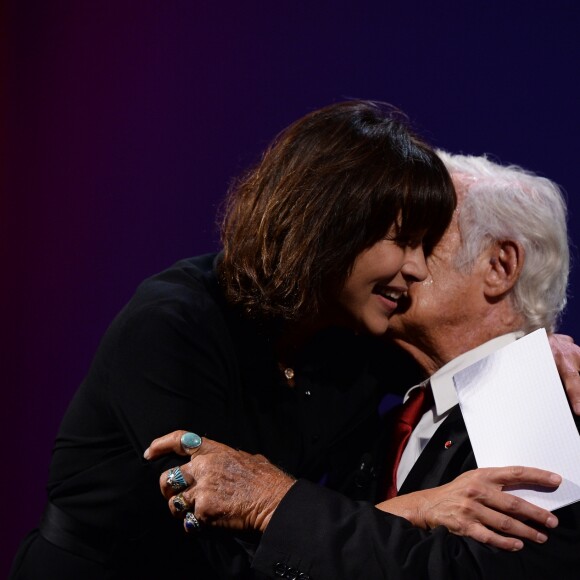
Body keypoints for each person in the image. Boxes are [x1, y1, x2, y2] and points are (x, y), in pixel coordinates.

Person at [10, 100, 579, 579]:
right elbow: (223, 549)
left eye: (429, 242)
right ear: (337, 224)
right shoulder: (176, 324)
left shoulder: (380, 351)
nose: (414, 269)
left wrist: (534, 350)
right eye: (407, 238)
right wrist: (418, 509)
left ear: (501, 267)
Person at [148, 152, 580, 579]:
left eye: (422, 240)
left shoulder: (546, 400)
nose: (400, 264)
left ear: (499, 266)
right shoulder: (379, 400)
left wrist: (276, 503)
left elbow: (489, 572)